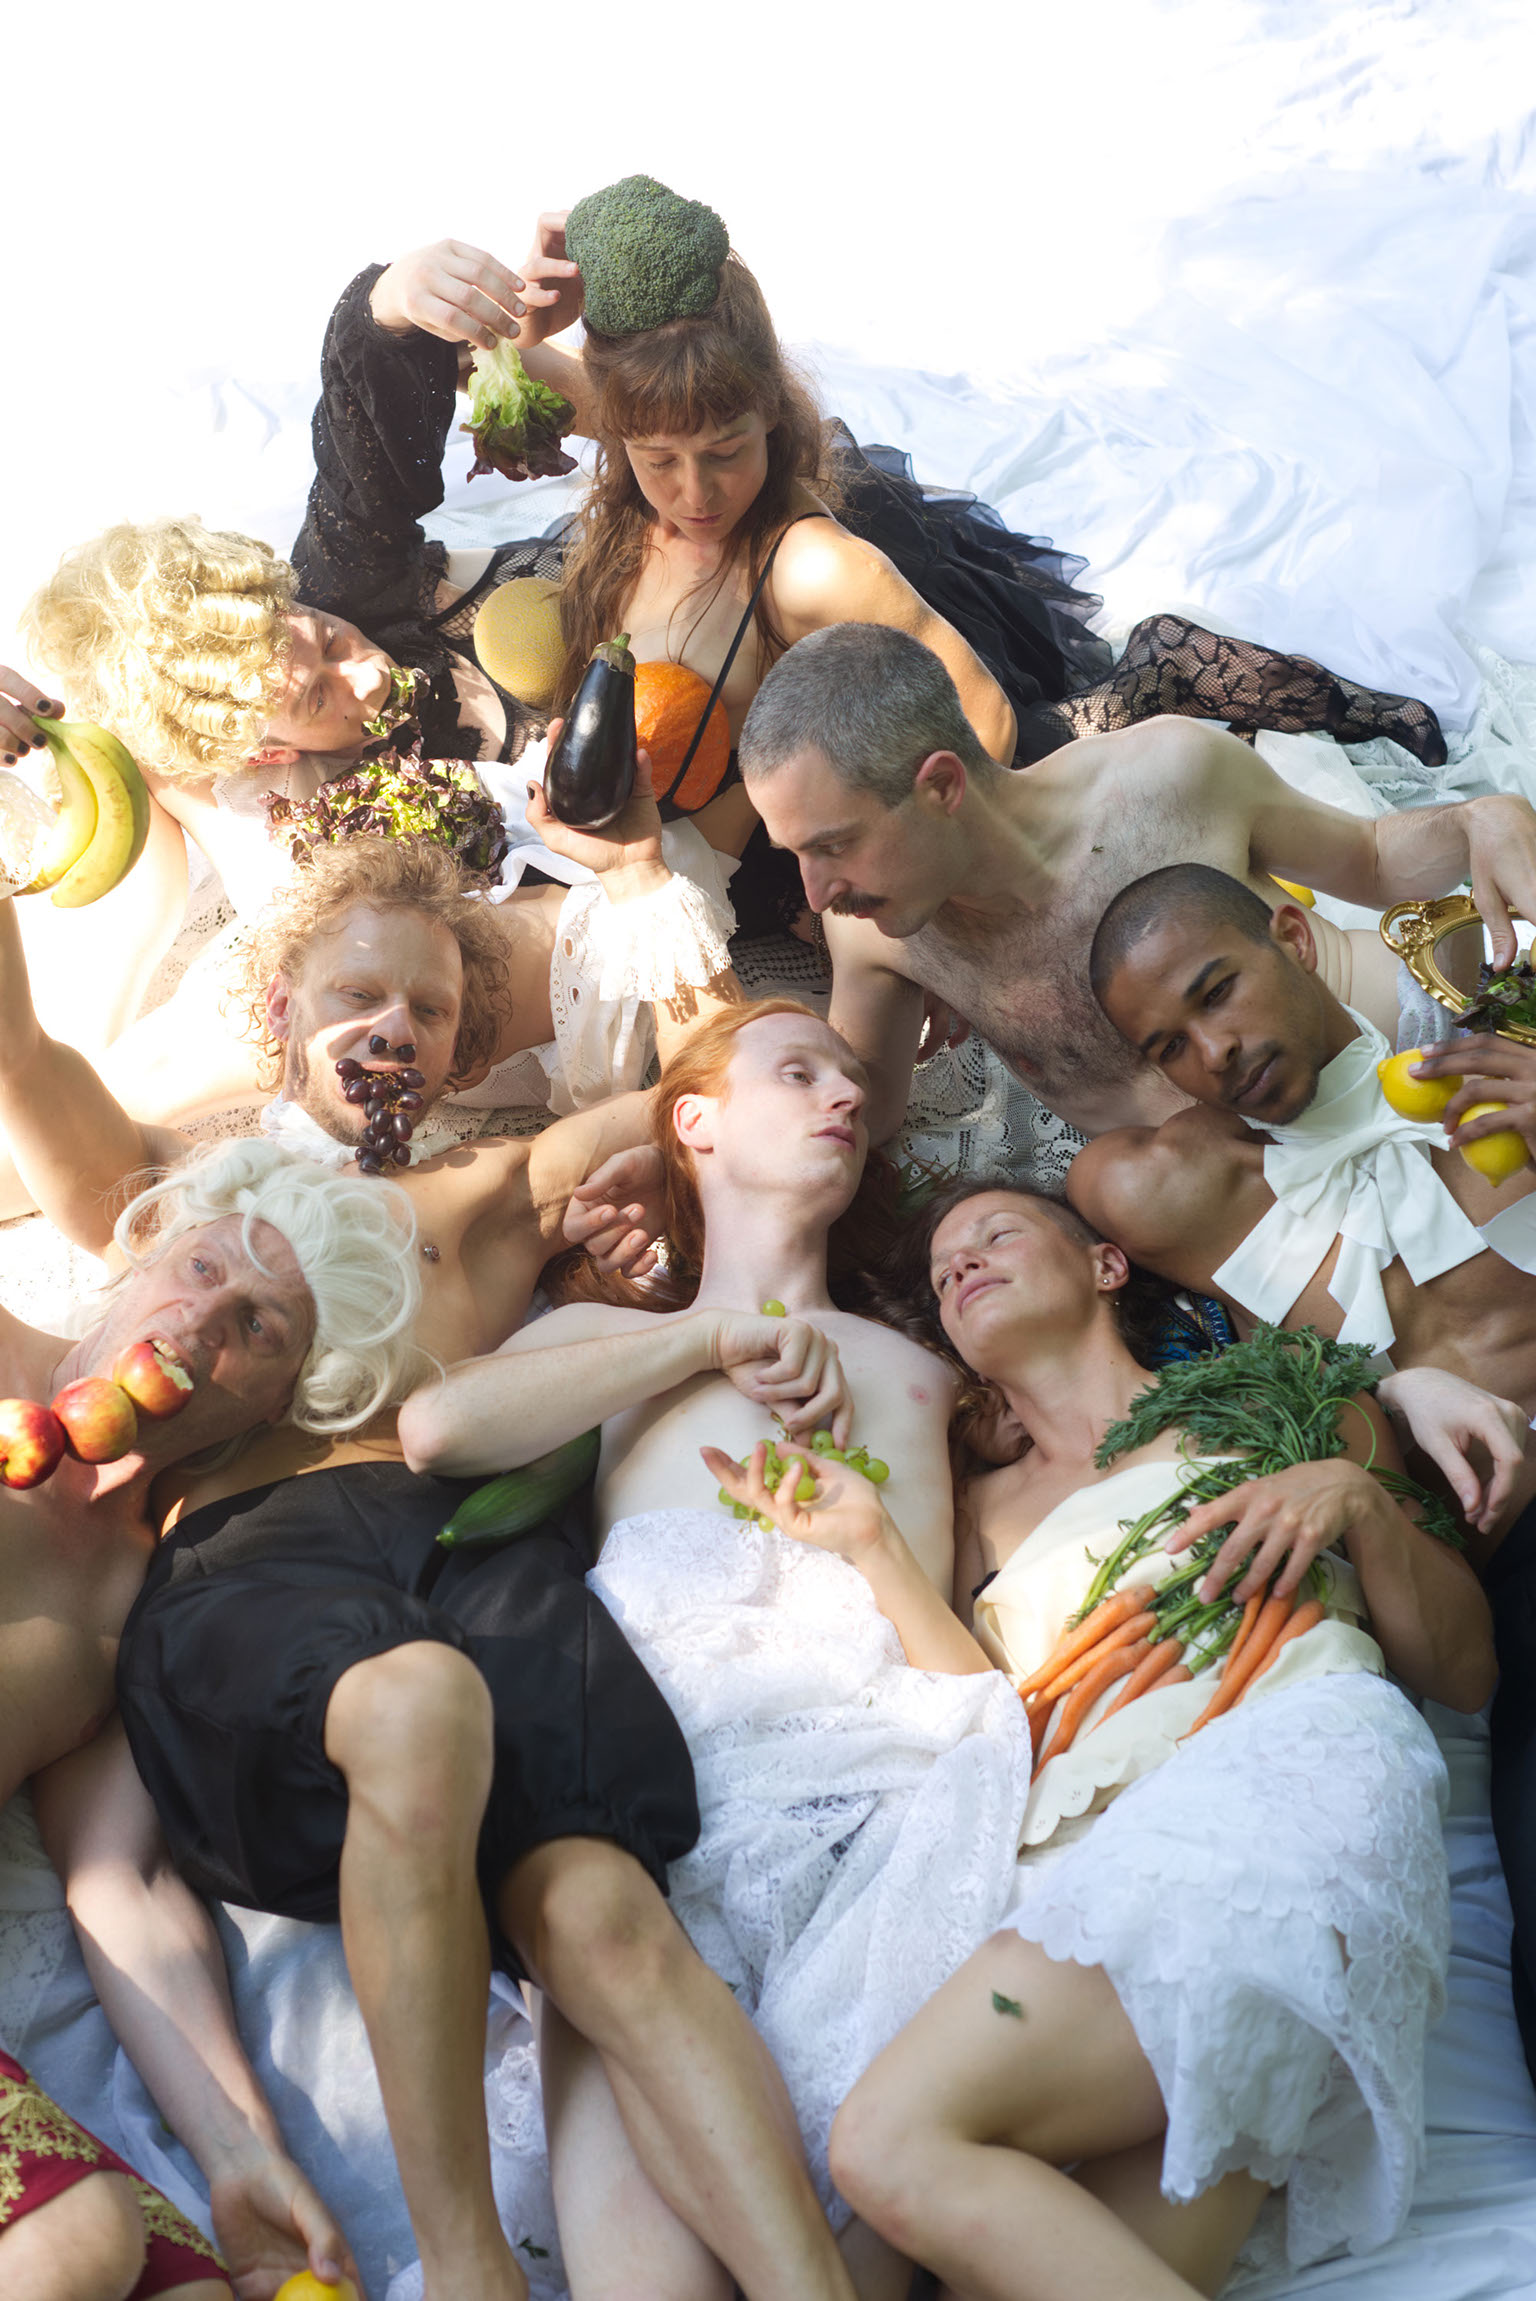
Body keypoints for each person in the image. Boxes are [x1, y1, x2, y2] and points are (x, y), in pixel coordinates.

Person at [9, 175, 1443, 1083]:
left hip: (787, 724)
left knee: (1057, 732)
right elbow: (121, 763)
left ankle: (1177, 682)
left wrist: (403, 304)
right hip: (704, 805)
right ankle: (1152, 678)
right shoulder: (622, 494)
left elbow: (984, 731)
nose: (348, 665)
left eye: (315, 629)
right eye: (658, 461)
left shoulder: (776, 554)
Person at [397, 997, 1037, 2297]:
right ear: (694, 1121)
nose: (845, 1097)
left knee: (862, 2196)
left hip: (870, 1798)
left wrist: (872, 1544)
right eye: (799, 1073)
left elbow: (950, 1655)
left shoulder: (920, 1371)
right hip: (649, 1797)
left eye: (851, 1082)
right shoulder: (605, 1343)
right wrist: (699, 1340)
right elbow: (438, 1432)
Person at [817, 1178, 1491, 2299]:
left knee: (889, 2142)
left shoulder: (1279, 1404)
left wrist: (1359, 1500)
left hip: (1283, 1780)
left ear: (1106, 1265)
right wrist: (872, 1546)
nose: (962, 1264)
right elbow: (986, 1728)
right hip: (1075, 1854)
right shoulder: (977, 1511)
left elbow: (1465, 1672)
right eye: (943, 1274)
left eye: (994, 1235)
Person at [1, 1134, 423, 2298]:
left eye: (258, 1327)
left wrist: (243, 2154)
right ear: (145, 1259)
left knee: (195, 2284)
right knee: (77, 2243)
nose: (200, 1324)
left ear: (280, 1401)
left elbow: (123, 1884)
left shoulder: (139, 1594)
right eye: (201, 1268)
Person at [735, 621, 1536, 1136]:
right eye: (796, 853)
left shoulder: (1166, 774)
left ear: (941, 786)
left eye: (834, 846)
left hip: (1421, 1054)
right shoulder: (876, 938)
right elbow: (859, 1118)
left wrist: (1477, 822)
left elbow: (1369, 861)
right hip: (1247, 1204)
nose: (816, 893)